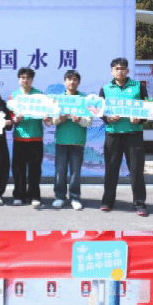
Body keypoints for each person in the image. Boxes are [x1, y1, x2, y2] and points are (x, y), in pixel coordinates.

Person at [99, 57, 149, 217]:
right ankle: (107, 201)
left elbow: (150, 105)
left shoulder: (138, 86)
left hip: (134, 134)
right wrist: (107, 118)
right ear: (111, 71)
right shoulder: (105, 89)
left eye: (122, 68)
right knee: (111, 169)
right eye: (116, 68)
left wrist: (140, 118)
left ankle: (140, 203)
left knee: (136, 170)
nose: (119, 71)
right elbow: (99, 111)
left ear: (127, 70)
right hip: (113, 134)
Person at [49, 70, 92, 211]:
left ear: (78, 82)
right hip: (61, 141)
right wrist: (59, 119)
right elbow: (51, 120)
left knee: (75, 172)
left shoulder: (84, 99)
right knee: (60, 171)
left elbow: (89, 122)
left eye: (75, 79)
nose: (72, 82)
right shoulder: (57, 99)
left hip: (78, 141)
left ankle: (75, 197)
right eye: (69, 79)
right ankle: (60, 197)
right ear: (64, 82)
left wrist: (80, 120)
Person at [9, 68, 48, 207]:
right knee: (18, 170)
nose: (25, 80)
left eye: (28, 78)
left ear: (32, 80)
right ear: (19, 79)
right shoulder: (14, 96)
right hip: (19, 137)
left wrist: (46, 116)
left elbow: (46, 112)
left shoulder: (39, 95)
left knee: (35, 170)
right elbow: (10, 115)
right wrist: (15, 119)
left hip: (35, 137)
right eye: (22, 77)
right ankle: (19, 195)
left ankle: (34, 195)